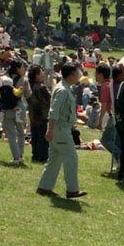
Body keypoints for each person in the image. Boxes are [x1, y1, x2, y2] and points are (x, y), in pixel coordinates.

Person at [36, 63, 87, 199]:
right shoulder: (63, 90)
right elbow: (54, 111)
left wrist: (78, 116)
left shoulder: (64, 88)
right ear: (71, 75)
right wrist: (50, 130)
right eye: (77, 73)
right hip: (60, 129)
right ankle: (72, 189)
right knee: (71, 158)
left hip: (60, 128)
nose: (79, 76)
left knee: (55, 158)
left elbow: (63, 110)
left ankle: (44, 187)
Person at [27, 65, 50, 163]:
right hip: (42, 114)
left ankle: (35, 155)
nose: (43, 75)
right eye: (41, 73)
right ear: (36, 75)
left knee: (35, 136)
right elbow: (49, 100)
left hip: (32, 114)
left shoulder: (28, 85)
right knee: (42, 137)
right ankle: (42, 157)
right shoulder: (41, 87)